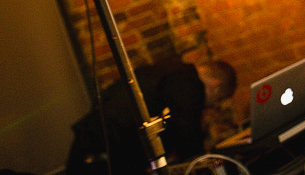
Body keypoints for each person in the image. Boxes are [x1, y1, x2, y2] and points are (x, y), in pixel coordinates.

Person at [66, 59, 237, 174]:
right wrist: (203, 161)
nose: (212, 106)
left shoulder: (167, 70)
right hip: (107, 146)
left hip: (95, 138)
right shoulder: (188, 81)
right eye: (218, 99)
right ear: (216, 87)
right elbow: (186, 129)